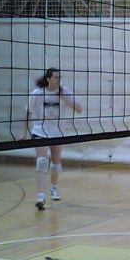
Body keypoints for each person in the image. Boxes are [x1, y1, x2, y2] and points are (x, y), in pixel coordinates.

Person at [24, 68, 83, 210]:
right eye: (56, 77)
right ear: (48, 79)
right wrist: (23, 133)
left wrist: (65, 98)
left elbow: (79, 109)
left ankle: (54, 187)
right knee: (42, 161)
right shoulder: (38, 93)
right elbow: (28, 112)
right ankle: (40, 196)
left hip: (57, 132)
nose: (59, 79)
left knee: (56, 162)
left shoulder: (64, 91)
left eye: (60, 77)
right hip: (40, 131)